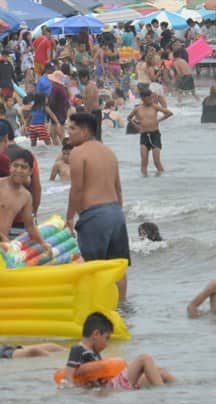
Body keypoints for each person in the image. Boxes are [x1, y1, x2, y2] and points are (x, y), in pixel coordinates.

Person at [66, 112, 129, 299]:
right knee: (117, 267)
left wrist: (69, 217)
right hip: (116, 213)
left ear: (84, 132)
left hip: (95, 216)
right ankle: (121, 307)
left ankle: (95, 306)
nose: (68, 133)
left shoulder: (78, 152)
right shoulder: (109, 152)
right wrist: (117, 213)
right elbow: (118, 189)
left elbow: (76, 189)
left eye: (72, 129)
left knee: (91, 268)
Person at [0, 147, 51, 254]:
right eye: (15, 166)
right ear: (10, 167)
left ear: (30, 171)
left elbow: (30, 226)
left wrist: (43, 243)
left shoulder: (26, 196)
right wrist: (2, 236)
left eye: (23, 167)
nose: (18, 170)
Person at [63, 312, 174, 389]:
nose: (107, 344)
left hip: (112, 384)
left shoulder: (95, 353)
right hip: (109, 389)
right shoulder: (78, 349)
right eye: (106, 338)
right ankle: (161, 394)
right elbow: (68, 377)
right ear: (96, 334)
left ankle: (182, 388)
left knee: (160, 372)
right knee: (144, 358)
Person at [127, 89, 173, 176]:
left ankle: (162, 179)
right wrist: (136, 126)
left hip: (155, 135)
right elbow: (129, 118)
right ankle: (144, 181)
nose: (151, 100)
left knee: (156, 162)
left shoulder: (155, 107)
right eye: (149, 98)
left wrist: (158, 120)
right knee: (144, 162)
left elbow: (169, 113)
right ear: (143, 98)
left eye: (151, 98)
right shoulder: (137, 109)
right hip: (144, 135)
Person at [0, 328, 64, 359]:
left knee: (52, 345)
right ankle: (58, 365)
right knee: (34, 351)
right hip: (5, 354)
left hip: (7, 348)